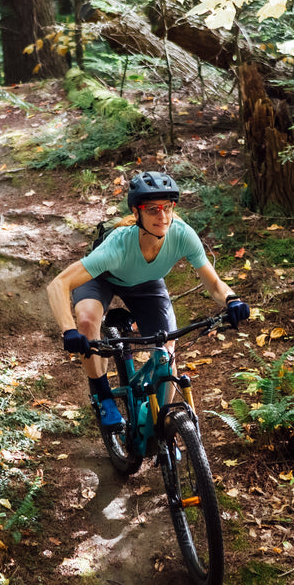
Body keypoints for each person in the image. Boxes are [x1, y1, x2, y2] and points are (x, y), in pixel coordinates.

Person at [47, 171, 250, 427]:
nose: (162, 216)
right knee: (87, 322)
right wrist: (68, 330)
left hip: (146, 282)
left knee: (167, 353)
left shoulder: (183, 235)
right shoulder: (118, 246)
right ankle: (104, 398)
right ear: (136, 212)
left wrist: (232, 300)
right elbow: (58, 284)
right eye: (152, 209)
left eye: (167, 207)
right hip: (102, 278)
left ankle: (161, 426)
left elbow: (214, 283)